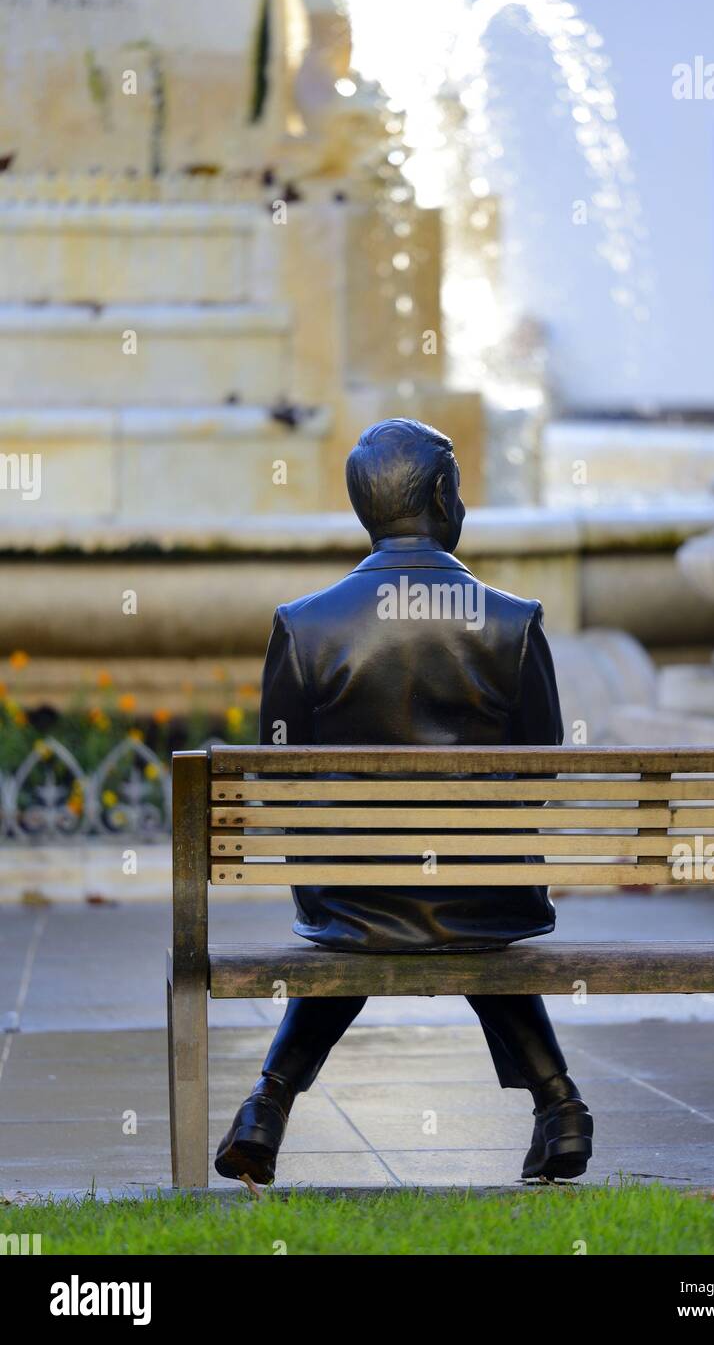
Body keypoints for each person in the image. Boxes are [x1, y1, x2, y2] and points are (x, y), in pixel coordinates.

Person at [215, 418, 593, 1184]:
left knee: (378, 909)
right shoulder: (513, 622)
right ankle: (561, 1110)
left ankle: (267, 1104)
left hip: (347, 896)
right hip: (486, 894)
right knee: (461, 909)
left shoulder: (304, 625)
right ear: (446, 496)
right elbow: (541, 768)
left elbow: (277, 769)